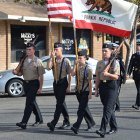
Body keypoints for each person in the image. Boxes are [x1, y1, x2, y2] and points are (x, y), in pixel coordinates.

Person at [14, 42, 45, 129]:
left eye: (30, 49)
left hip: (34, 83)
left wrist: (40, 87)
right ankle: (39, 119)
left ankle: (24, 122)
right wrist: (16, 73)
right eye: (27, 49)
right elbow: (21, 73)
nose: (28, 51)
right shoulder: (23, 60)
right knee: (32, 102)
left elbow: (41, 76)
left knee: (29, 103)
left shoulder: (38, 61)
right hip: (26, 83)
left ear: (34, 50)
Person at [95, 43, 120, 137]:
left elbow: (116, 77)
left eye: (106, 51)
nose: (104, 52)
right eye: (103, 51)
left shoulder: (115, 62)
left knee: (107, 109)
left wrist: (107, 74)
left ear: (111, 52)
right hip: (102, 87)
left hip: (111, 87)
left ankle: (102, 129)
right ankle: (114, 127)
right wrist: (96, 89)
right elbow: (97, 77)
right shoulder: (99, 63)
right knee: (109, 109)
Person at [47, 42, 71, 131]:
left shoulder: (66, 60)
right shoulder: (53, 60)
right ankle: (67, 121)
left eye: (56, 49)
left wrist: (69, 86)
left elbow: (70, 74)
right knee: (61, 102)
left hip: (63, 82)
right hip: (56, 83)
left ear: (61, 50)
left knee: (59, 104)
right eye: (54, 49)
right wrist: (51, 57)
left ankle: (54, 122)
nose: (55, 51)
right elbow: (48, 68)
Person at [71, 49, 95, 134]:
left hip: (85, 91)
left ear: (85, 58)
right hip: (78, 91)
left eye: (80, 58)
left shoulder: (88, 68)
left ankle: (76, 126)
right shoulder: (77, 66)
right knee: (84, 108)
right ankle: (91, 123)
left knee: (80, 110)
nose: (79, 59)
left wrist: (90, 93)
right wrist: (74, 65)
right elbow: (72, 74)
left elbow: (90, 82)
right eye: (78, 58)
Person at [111, 43, 126, 111]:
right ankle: (115, 106)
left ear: (117, 50)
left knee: (115, 92)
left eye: (114, 49)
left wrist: (124, 78)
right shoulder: (110, 58)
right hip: (111, 77)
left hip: (118, 78)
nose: (113, 50)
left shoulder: (120, 58)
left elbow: (123, 69)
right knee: (113, 92)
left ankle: (117, 106)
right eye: (112, 49)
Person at [127, 41, 140, 110]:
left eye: (139, 46)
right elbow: (131, 65)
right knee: (138, 89)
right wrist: (128, 73)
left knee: (139, 91)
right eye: (137, 46)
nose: (138, 47)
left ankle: (137, 104)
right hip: (136, 75)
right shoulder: (134, 55)